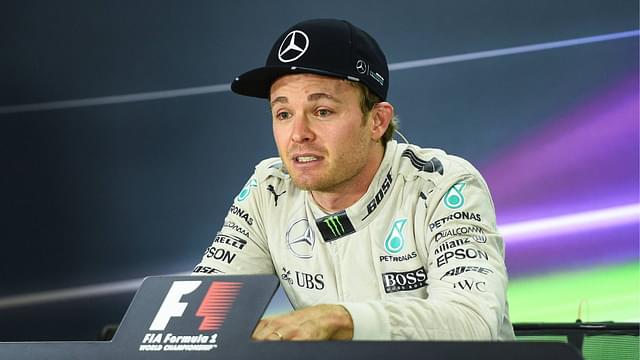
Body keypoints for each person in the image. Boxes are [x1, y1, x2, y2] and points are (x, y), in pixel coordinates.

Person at [193, 18, 515, 341]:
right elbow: (200, 314)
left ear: (377, 121)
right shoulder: (268, 191)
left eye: (322, 111)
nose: (298, 135)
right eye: (284, 114)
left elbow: (472, 322)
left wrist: (342, 320)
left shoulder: (444, 187)